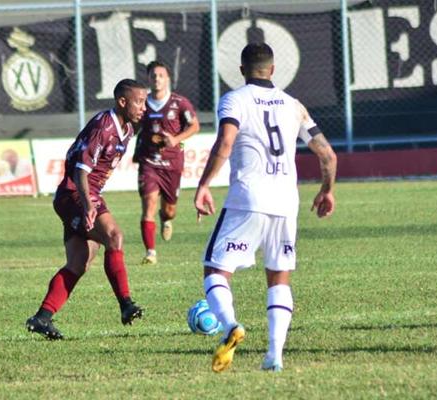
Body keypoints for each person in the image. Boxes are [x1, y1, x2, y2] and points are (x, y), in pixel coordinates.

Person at [193, 43, 337, 373]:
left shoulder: (234, 100)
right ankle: (274, 355)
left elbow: (226, 143)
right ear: (273, 70)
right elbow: (328, 156)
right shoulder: (294, 105)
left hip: (248, 198)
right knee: (278, 277)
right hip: (286, 202)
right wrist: (327, 191)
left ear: (241, 71)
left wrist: (204, 184)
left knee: (216, 270)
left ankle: (230, 325)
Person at [25, 79, 148, 340]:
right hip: (76, 194)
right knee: (114, 235)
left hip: (82, 195)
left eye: (145, 101)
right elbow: (81, 170)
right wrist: (89, 203)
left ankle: (42, 318)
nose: (143, 107)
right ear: (122, 102)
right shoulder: (104, 127)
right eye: (139, 101)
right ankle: (126, 304)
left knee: (79, 262)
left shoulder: (127, 128)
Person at [134, 61, 200, 265]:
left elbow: (194, 125)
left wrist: (176, 139)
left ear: (168, 78)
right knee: (149, 204)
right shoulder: (142, 102)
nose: (157, 78)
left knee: (170, 209)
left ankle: (167, 219)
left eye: (161, 75)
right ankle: (150, 252)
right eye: (153, 75)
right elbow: (132, 124)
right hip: (149, 161)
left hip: (172, 163)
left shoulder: (179, 103)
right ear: (148, 78)